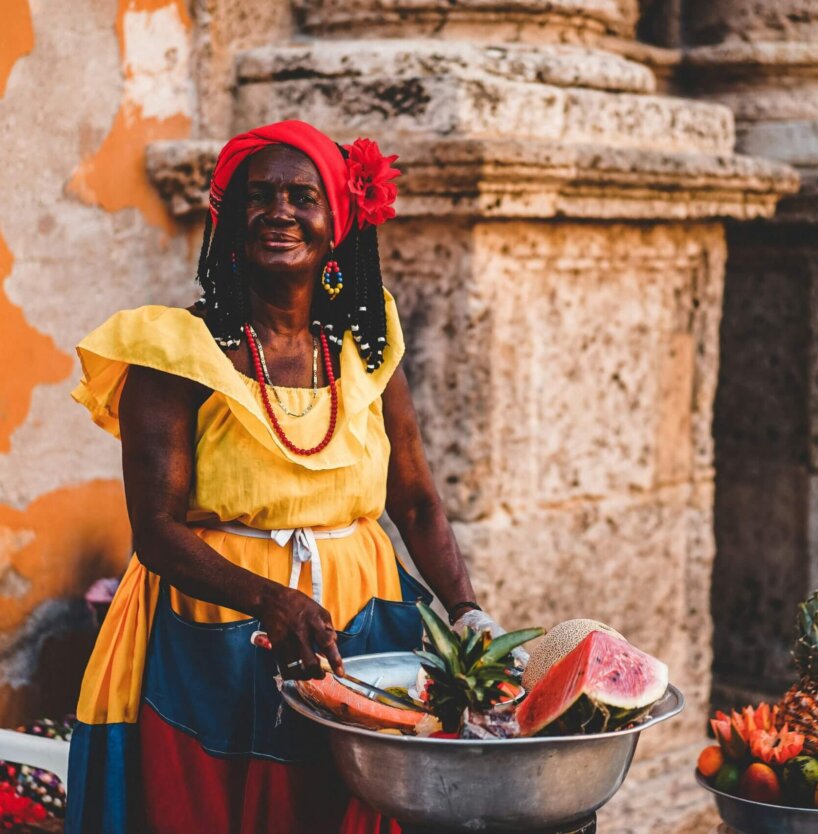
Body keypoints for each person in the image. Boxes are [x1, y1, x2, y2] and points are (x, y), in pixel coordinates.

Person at [66, 120, 501, 834]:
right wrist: (272, 600)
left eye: (304, 196)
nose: (280, 211)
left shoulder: (364, 348)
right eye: (259, 195)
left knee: (343, 805)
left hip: (363, 625)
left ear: (337, 223)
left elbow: (416, 502)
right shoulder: (175, 353)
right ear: (229, 220)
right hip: (214, 630)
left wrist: (468, 612)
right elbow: (157, 530)